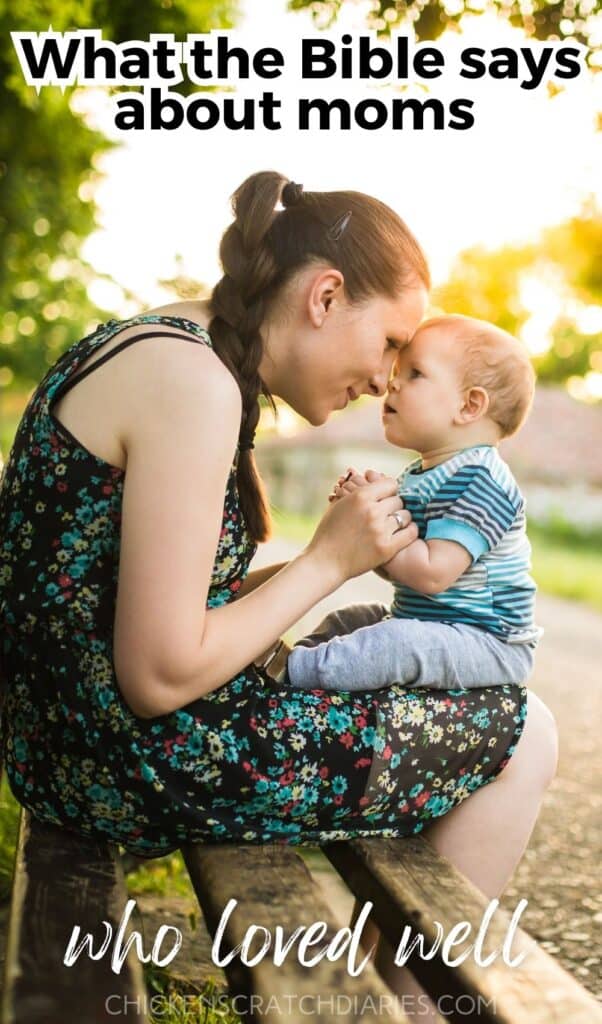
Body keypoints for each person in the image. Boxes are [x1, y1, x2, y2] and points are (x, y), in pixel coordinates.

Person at [0, 171, 557, 1013]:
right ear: (327, 296)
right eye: (393, 345)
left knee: (464, 697)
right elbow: (156, 676)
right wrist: (326, 563)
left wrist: (328, 566)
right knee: (525, 730)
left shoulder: (169, 352)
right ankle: (393, 1008)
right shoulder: (193, 383)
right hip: (119, 758)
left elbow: (151, 600)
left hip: (72, 742)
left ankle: (382, 997)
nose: (386, 378)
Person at [282, 313, 543, 693]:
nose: (392, 383)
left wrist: (384, 525)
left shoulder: (481, 479)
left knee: (394, 644)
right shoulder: (421, 474)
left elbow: (431, 575)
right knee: (352, 621)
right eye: (397, 372)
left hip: (490, 642)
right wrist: (368, 516)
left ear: (469, 406)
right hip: (435, 626)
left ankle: (291, 677)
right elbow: (399, 570)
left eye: (415, 373)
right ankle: (291, 667)